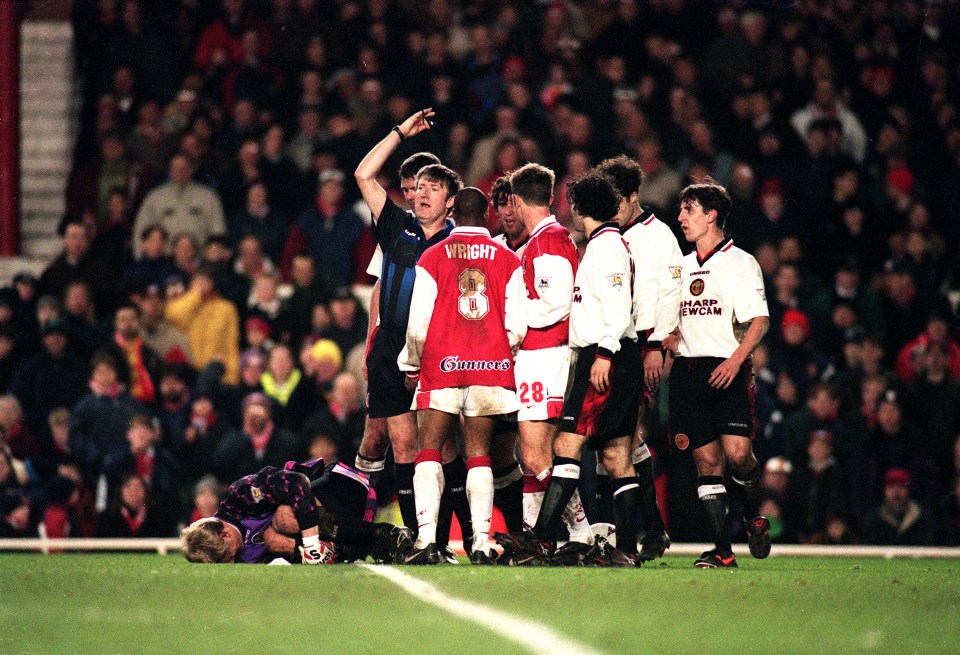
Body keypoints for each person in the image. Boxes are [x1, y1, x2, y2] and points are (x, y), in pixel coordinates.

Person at [497, 171, 642, 566]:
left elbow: (615, 305)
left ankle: (553, 537)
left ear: (580, 206)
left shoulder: (605, 246)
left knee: (563, 447)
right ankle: (625, 551)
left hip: (602, 355)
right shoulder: (599, 245)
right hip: (606, 354)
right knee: (615, 457)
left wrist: (605, 354)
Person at [398, 187, 526, 564]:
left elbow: (418, 323)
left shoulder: (433, 256)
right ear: (487, 215)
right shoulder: (507, 258)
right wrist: (497, 353)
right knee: (479, 455)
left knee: (428, 450)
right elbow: (518, 326)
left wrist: (412, 363)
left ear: (453, 212)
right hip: (490, 367)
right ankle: (482, 542)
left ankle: (426, 541)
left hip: (441, 366)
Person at [353, 109, 461, 539]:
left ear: (450, 200)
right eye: (417, 187)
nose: (421, 194)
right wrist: (400, 132)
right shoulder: (397, 226)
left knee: (440, 448)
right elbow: (363, 174)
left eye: (433, 189)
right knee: (402, 446)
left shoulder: (459, 241)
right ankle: (419, 535)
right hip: (390, 349)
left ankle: (450, 535)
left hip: (436, 352)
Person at [663, 179, 771, 568]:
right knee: (707, 463)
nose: (680, 218)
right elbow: (671, 318)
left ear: (711, 216)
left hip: (728, 368)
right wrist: (670, 336)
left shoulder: (741, 262)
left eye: (688, 211)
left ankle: (751, 514)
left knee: (739, 456)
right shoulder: (681, 266)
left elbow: (759, 320)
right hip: (689, 372)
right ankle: (723, 550)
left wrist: (736, 360)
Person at [596, 154, 683, 561]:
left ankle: (646, 530)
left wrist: (655, 346)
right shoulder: (610, 235)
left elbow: (670, 293)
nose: (611, 207)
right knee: (625, 439)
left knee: (626, 436)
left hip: (645, 343)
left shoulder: (659, 236)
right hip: (617, 343)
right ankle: (653, 528)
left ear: (634, 196)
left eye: (617, 199)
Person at [506, 162, 593, 550]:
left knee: (535, 450)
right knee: (533, 455)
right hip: (544, 354)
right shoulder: (552, 238)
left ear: (519, 201)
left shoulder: (547, 240)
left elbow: (556, 302)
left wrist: (518, 323)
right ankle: (533, 533)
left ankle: (580, 530)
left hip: (546, 353)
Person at [181, 458, 412, 564]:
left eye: (228, 556)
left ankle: (384, 535)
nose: (232, 562)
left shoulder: (240, 497)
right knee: (274, 541)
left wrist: (311, 546)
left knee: (282, 518)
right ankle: (369, 544)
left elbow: (297, 482)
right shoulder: (240, 553)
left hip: (343, 488)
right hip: (340, 538)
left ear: (225, 535)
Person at [487, 176, 528, 532]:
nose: (508, 211)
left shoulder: (545, 244)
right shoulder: (491, 249)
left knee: (537, 450)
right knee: (499, 453)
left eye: (513, 202)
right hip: (498, 366)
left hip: (536, 362)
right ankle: (519, 530)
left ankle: (567, 528)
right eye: (501, 204)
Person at [132, 154, 226, 260]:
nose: (180, 171)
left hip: (199, 261)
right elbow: (141, 232)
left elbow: (218, 232)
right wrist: (141, 260)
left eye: (184, 168)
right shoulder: (154, 198)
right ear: (169, 171)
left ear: (191, 170)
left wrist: (214, 259)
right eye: (176, 168)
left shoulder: (208, 197)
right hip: (164, 262)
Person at [164, 265, 241, 384]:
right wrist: (195, 295)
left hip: (217, 372)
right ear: (191, 284)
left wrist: (232, 375)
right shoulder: (181, 304)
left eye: (205, 281)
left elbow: (231, 343)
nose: (202, 285)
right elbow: (173, 315)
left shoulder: (227, 308)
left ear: (212, 283)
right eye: (198, 281)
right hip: (189, 371)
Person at [861, 468, 936, 546]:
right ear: (884, 490)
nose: (896, 492)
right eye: (891, 486)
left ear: (908, 490)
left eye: (901, 486)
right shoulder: (872, 519)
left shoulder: (923, 518)